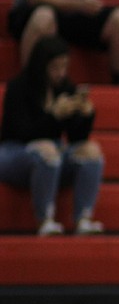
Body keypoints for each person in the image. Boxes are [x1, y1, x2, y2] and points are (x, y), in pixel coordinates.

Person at [0, 35, 104, 236]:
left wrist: (86, 115)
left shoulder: (66, 88)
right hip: (14, 152)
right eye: (55, 67)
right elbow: (20, 132)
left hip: (52, 154)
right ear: (42, 65)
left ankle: (84, 218)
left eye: (64, 67)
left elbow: (76, 137)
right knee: (47, 149)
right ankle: (45, 219)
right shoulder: (19, 88)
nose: (61, 73)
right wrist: (53, 116)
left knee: (90, 150)